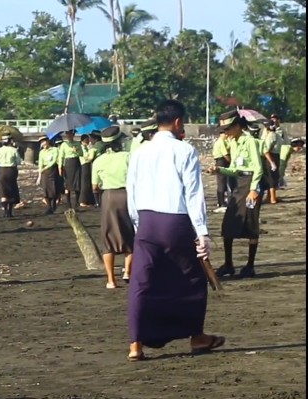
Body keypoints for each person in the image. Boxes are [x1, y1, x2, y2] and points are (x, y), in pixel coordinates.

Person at [126, 100, 224, 361]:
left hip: (146, 222)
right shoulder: (185, 150)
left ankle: (135, 344)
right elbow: (193, 194)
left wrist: (138, 225)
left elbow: (131, 192)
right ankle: (197, 336)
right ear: (178, 122)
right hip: (175, 222)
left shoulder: (139, 152)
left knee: (142, 282)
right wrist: (202, 232)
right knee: (192, 278)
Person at [209, 110, 264, 280]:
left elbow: (258, 168)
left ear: (237, 126)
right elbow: (234, 169)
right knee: (228, 225)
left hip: (251, 184)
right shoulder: (233, 143)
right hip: (239, 185)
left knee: (251, 223)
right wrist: (219, 169)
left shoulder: (250, 141)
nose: (225, 132)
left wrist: (254, 189)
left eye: (227, 129)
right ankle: (228, 264)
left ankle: (250, 265)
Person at [91, 126, 134, 289]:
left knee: (108, 237)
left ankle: (111, 280)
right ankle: (127, 272)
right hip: (127, 195)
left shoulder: (98, 160)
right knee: (130, 234)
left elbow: (95, 186)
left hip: (108, 197)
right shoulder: (128, 157)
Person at [0, 134, 22, 218]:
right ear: (10, 141)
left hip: (2, 171)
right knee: (11, 190)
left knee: (3, 192)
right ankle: (10, 212)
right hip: (12, 171)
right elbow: (19, 162)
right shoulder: (14, 150)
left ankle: (5, 211)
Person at [57, 129, 82, 209]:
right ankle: (69, 204)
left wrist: (76, 151)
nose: (69, 135)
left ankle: (76, 203)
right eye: (67, 134)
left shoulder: (77, 143)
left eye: (71, 134)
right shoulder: (64, 144)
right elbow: (61, 156)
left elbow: (81, 154)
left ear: (73, 134)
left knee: (77, 184)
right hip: (68, 164)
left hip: (76, 162)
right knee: (68, 184)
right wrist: (60, 167)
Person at [211, 131, 234, 214]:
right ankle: (221, 202)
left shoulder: (225, 141)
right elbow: (225, 154)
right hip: (221, 161)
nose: (226, 135)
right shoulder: (221, 142)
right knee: (221, 182)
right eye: (224, 133)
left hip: (223, 161)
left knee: (225, 181)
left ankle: (225, 200)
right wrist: (231, 162)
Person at [36, 136, 60, 214]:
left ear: (48, 141)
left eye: (44, 142)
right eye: (41, 142)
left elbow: (54, 161)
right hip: (44, 172)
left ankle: (54, 205)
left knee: (53, 189)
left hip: (52, 170)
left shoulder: (55, 150)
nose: (43, 144)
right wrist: (39, 176)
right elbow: (40, 164)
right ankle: (49, 207)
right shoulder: (41, 152)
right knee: (45, 190)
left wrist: (45, 168)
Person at [260, 120, 281, 204]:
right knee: (273, 176)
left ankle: (272, 198)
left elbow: (266, 150)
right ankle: (270, 197)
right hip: (276, 156)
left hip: (271, 157)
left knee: (270, 177)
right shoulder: (276, 134)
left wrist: (271, 162)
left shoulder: (271, 136)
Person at [78, 133, 97, 207]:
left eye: (88, 140)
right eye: (86, 140)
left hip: (88, 164)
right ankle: (82, 201)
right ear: (82, 141)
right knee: (84, 183)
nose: (88, 141)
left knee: (88, 183)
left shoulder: (87, 147)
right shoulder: (81, 148)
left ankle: (88, 200)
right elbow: (85, 156)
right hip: (84, 165)